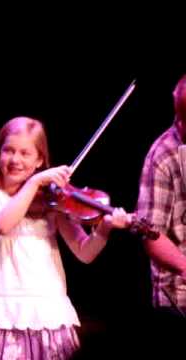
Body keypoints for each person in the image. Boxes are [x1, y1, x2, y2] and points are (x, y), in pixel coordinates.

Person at [0, 116, 131, 359]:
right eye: (8, 150)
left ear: (39, 159)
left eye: (25, 153)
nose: (15, 159)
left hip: (48, 313)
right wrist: (36, 181)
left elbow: (84, 252)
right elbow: (4, 223)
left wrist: (104, 230)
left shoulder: (53, 201)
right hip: (3, 313)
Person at [136, 75, 186, 355]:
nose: (179, 126)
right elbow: (150, 234)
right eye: (179, 118)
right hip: (179, 298)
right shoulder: (163, 155)